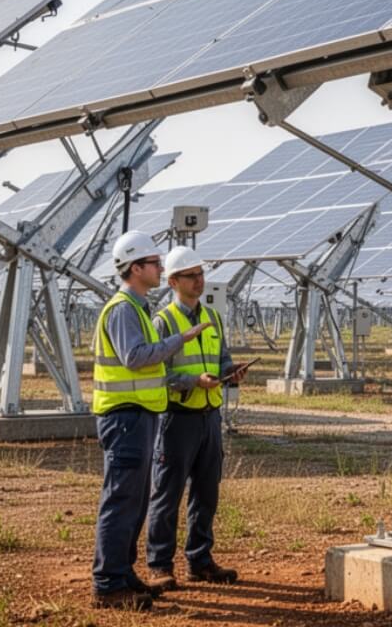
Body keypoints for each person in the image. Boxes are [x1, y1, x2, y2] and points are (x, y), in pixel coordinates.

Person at [92, 231, 212, 611]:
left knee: (136, 500)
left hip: (139, 415)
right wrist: (180, 339)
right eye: (155, 264)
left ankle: (124, 574)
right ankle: (109, 583)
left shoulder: (138, 307)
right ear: (135, 268)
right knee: (122, 499)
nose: (162, 269)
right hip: (124, 417)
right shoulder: (123, 308)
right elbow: (135, 356)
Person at [146, 246, 246, 590]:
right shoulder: (163, 321)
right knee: (167, 493)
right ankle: (159, 565)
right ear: (173, 281)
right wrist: (192, 382)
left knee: (207, 492)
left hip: (209, 417)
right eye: (191, 275)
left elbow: (222, 358)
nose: (199, 280)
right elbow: (157, 372)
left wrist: (230, 372)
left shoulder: (213, 318)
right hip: (177, 418)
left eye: (201, 273)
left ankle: (199, 560)